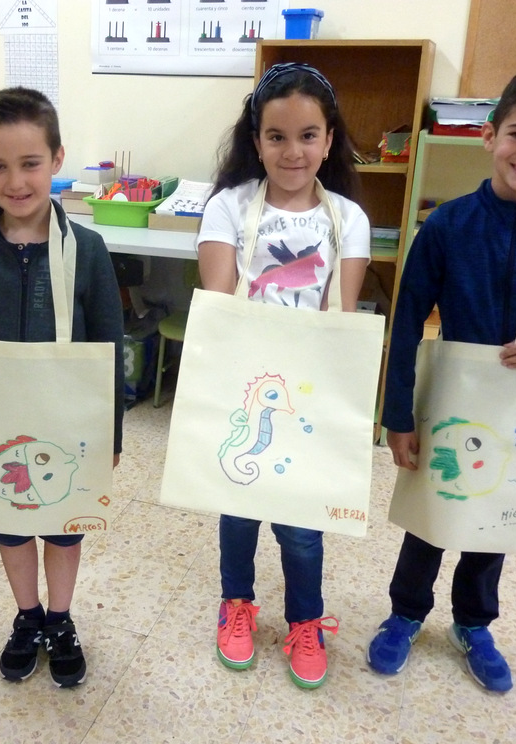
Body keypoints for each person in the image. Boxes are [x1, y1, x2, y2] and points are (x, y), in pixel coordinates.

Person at [368, 60, 516, 693]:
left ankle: (474, 622)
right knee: (432, 513)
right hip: (452, 399)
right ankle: (406, 612)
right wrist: (398, 417)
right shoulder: (447, 225)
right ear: (489, 135)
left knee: (495, 515)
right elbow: (406, 323)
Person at [0, 87, 124, 688]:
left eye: (30, 163)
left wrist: (111, 435)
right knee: (11, 526)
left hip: (67, 423)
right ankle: (28, 616)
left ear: (57, 159)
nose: (15, 181)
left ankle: (61, 620)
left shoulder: (87, 249)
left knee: (64, 526)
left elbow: (109, 346)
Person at [196, 63, 371, 689]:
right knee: (238, 510)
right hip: (243, 384)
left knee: (302, 523)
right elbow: (218, 306)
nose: (292, 151)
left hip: (309, 392)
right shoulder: (227, 207)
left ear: (329, 140)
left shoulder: (348, 218)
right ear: (257, 140)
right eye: (277, 136)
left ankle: (305, 620)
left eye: (307, 135)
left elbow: (340, 316)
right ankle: (236, 604)